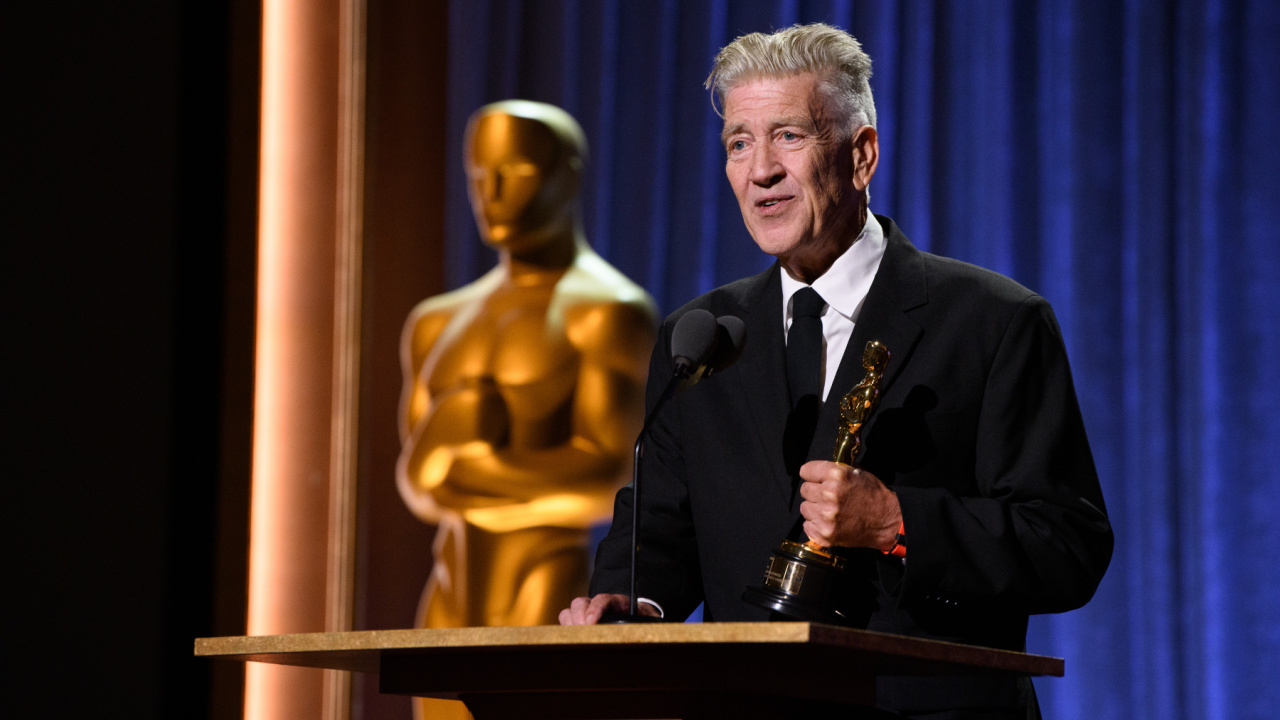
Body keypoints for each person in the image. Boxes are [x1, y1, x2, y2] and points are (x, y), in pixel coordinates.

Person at [559, 24, 1113, 720]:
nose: (760, 169)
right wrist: (633, 600)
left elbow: (1067, 545)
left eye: (787, 135)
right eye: (739, 142)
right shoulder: (700, 336)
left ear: (861, 156)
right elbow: (661, 532)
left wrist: (896, 521)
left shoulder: (994, 321)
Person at [398, 100, 656, 718]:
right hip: (448, 594)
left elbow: (613, 481)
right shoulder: (436, 323)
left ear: (566, 172)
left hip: (548, 586)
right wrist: (449, 440)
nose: (490, 194)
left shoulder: (606, 311)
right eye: (478, 174)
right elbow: (415, 483)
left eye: (511, 173)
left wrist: (463, 463)